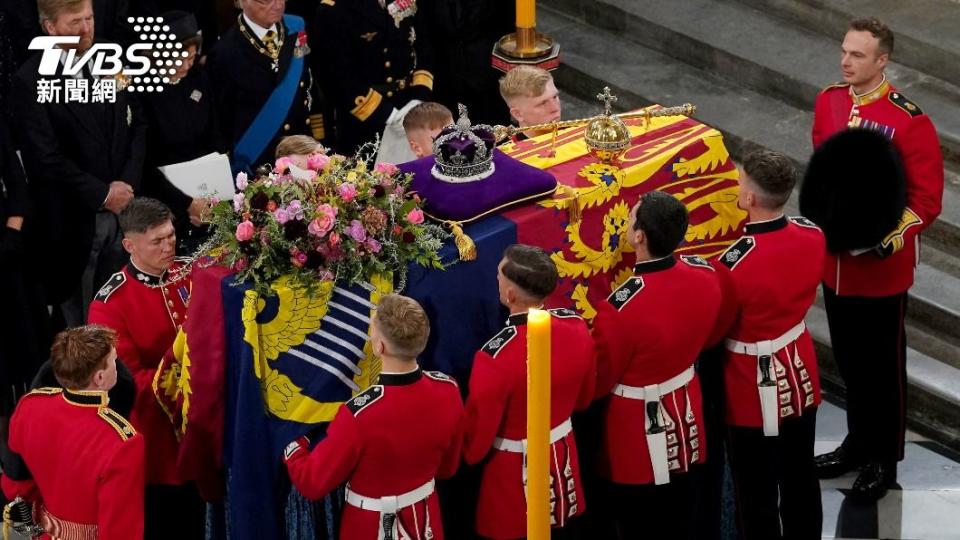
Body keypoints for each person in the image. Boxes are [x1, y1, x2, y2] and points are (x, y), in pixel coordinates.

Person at [811, 17, 944, 501]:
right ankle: (856, 443)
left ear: (882, 60)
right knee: (849, 362)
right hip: (835, 265)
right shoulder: (828, 101)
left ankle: (883, 460)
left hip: (880, 269)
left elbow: (926, 202)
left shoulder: (909, 120)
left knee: (882, 371)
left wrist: (880, 239)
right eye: (845, 51)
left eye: (858, 55)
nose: (846, 62)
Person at [590, 191, 732, 540]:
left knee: (639, 523)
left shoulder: (619, 309)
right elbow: (718, 325)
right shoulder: (706, 273)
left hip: (635, 430)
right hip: (686, 411)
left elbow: (601, 379)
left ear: (639, 236)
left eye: (631, 217)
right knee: (682, 512)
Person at [11, 0, 147, 329]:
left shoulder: (111, 61)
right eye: (75, 23)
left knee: (123, 316)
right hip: (74, 227)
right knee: (84, 327)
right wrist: (103, 194)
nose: (87, 29)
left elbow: (137, 123)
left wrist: (125, 186)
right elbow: (45, 159)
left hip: (124, 214)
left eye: (89, 19)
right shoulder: (30, 81)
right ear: (51, 27)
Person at [284, 294, 464, 540]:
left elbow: (312, 483)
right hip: (426, 518)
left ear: (379, 347)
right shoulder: (448, 389)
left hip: (369, 526)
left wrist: (292, 445)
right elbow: (448, 468)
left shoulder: (359, 414)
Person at [716, 150, 825, 539]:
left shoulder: (731, 265)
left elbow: (718, 327)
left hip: (750, 381)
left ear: (748, 198)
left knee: (755, 491)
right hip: (798, 369)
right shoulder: (812, 234)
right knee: (800, 475)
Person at [86, 198, 204, 539]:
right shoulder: (109, 304)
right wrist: (190, 392)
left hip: (207, 426)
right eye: (157, 241)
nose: (169, 247)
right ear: (129, 245)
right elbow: (126, 379)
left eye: (171, 236)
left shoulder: (191, 271)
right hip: (158, 437)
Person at [462, 244, 596, 539]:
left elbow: (474, 449)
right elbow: (585, 398)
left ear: (510, 295)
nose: (496, 280)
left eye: (499, 276)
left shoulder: (494, 358)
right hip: (564, 466)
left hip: (510, 484)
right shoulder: (576, 327)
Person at [1, 325, 145, 540]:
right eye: (114, 361)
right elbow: (120, 531)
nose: (118, 365)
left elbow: (18, 484)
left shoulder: (30, 405)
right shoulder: (122, 442)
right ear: (99, 378)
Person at [206, 0, 324, 174]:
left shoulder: (295, 28)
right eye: (266, 0)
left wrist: (319, 137)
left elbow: (309, 86)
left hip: (303, 150)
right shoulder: (225, 52)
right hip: (261, 160)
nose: (277, 5)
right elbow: (222, 119)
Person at [141, 10, 223, 253]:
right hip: (165, 203)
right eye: (179, 59)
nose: (187, 65)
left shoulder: (198, 78)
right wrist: (186, 203)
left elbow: (215, 135)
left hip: (208, 195)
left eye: (191, 57)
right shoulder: (141, 91)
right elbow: (145, 161)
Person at [312, 0, 435, 154]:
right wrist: (389, 115)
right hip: (364, 123)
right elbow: (334, 77)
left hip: (412, 108)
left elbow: (423, 48)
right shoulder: (333, 9)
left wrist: (419, 98)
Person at [421, 0, 513, 126]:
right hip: (444, 79)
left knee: (494, 136)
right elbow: (424, 33)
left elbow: (509, 32)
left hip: (487, 80)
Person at [498, 65, 562, 142]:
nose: (555, 108)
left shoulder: (577, 133)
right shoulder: (508, 153)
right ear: (518, 114)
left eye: (555, 97)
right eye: (543, 103)